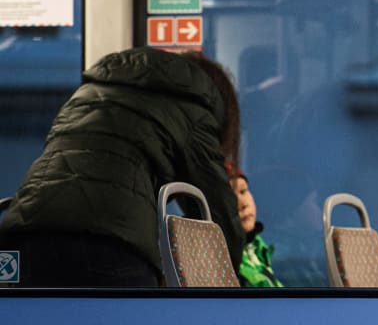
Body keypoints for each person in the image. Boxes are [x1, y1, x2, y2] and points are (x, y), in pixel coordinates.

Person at [0, 47, 243, 287]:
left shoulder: (89, 91)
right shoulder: (193, 106)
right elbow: (216, 213)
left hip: (28, 230)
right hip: (113, 242)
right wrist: (234, 283)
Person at [225, 162, 283, 288]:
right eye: (231, 198)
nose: (242, 203)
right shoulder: (223, 260)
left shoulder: (257, 246)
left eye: (243, 191)